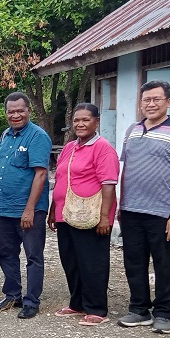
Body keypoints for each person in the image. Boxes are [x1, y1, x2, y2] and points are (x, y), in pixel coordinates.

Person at [117, 81, 170, 334]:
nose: (151, 104)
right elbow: (125, 169)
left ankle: (163, 313)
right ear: (140, 104)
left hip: (163, 213)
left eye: (156, 99)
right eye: (146, 100)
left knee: (164, 264)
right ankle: (139, 309)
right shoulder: (132, 130)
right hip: (131, 210)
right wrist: (120, 204)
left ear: (168, 102)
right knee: (134, 262)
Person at [47, 104, 119, 326]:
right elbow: (60, 180)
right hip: (65, 213)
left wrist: (104, 217)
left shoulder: (103, 148)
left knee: (92, 261)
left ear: (97, 121)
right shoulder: (69, 147)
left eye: (85, 120)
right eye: (76, 120)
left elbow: (108, 184)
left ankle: (96, 307)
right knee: (71, 260)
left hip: (91, 214)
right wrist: (52, 210)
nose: (80, 124)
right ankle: (77, 302)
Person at [0, 91, 52, 319]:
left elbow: (40, 174)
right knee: (6, 253)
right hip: (5, 209)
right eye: (11, 111)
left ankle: (31, 300)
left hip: (29, 210)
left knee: (33, 256)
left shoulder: (37, 136)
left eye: (20, 110)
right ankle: (12, 295)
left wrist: (30, 209)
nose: (15, 115)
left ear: (28, 110)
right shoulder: (5, 135)